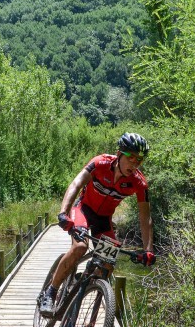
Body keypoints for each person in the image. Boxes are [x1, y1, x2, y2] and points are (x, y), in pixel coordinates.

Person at [39, 132, 155, 316]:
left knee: (108, 263)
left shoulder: (139, 183)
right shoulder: (100, 163)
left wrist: (148, 250)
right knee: (80, 247)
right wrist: (63, 213)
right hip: (83, 210)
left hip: (104, 220)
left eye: (139, 160)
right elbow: (76, 184)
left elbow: (145, 218)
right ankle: (51, 292)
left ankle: (83, 287)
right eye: (131, 157)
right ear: (119, 154)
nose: (135, 163)